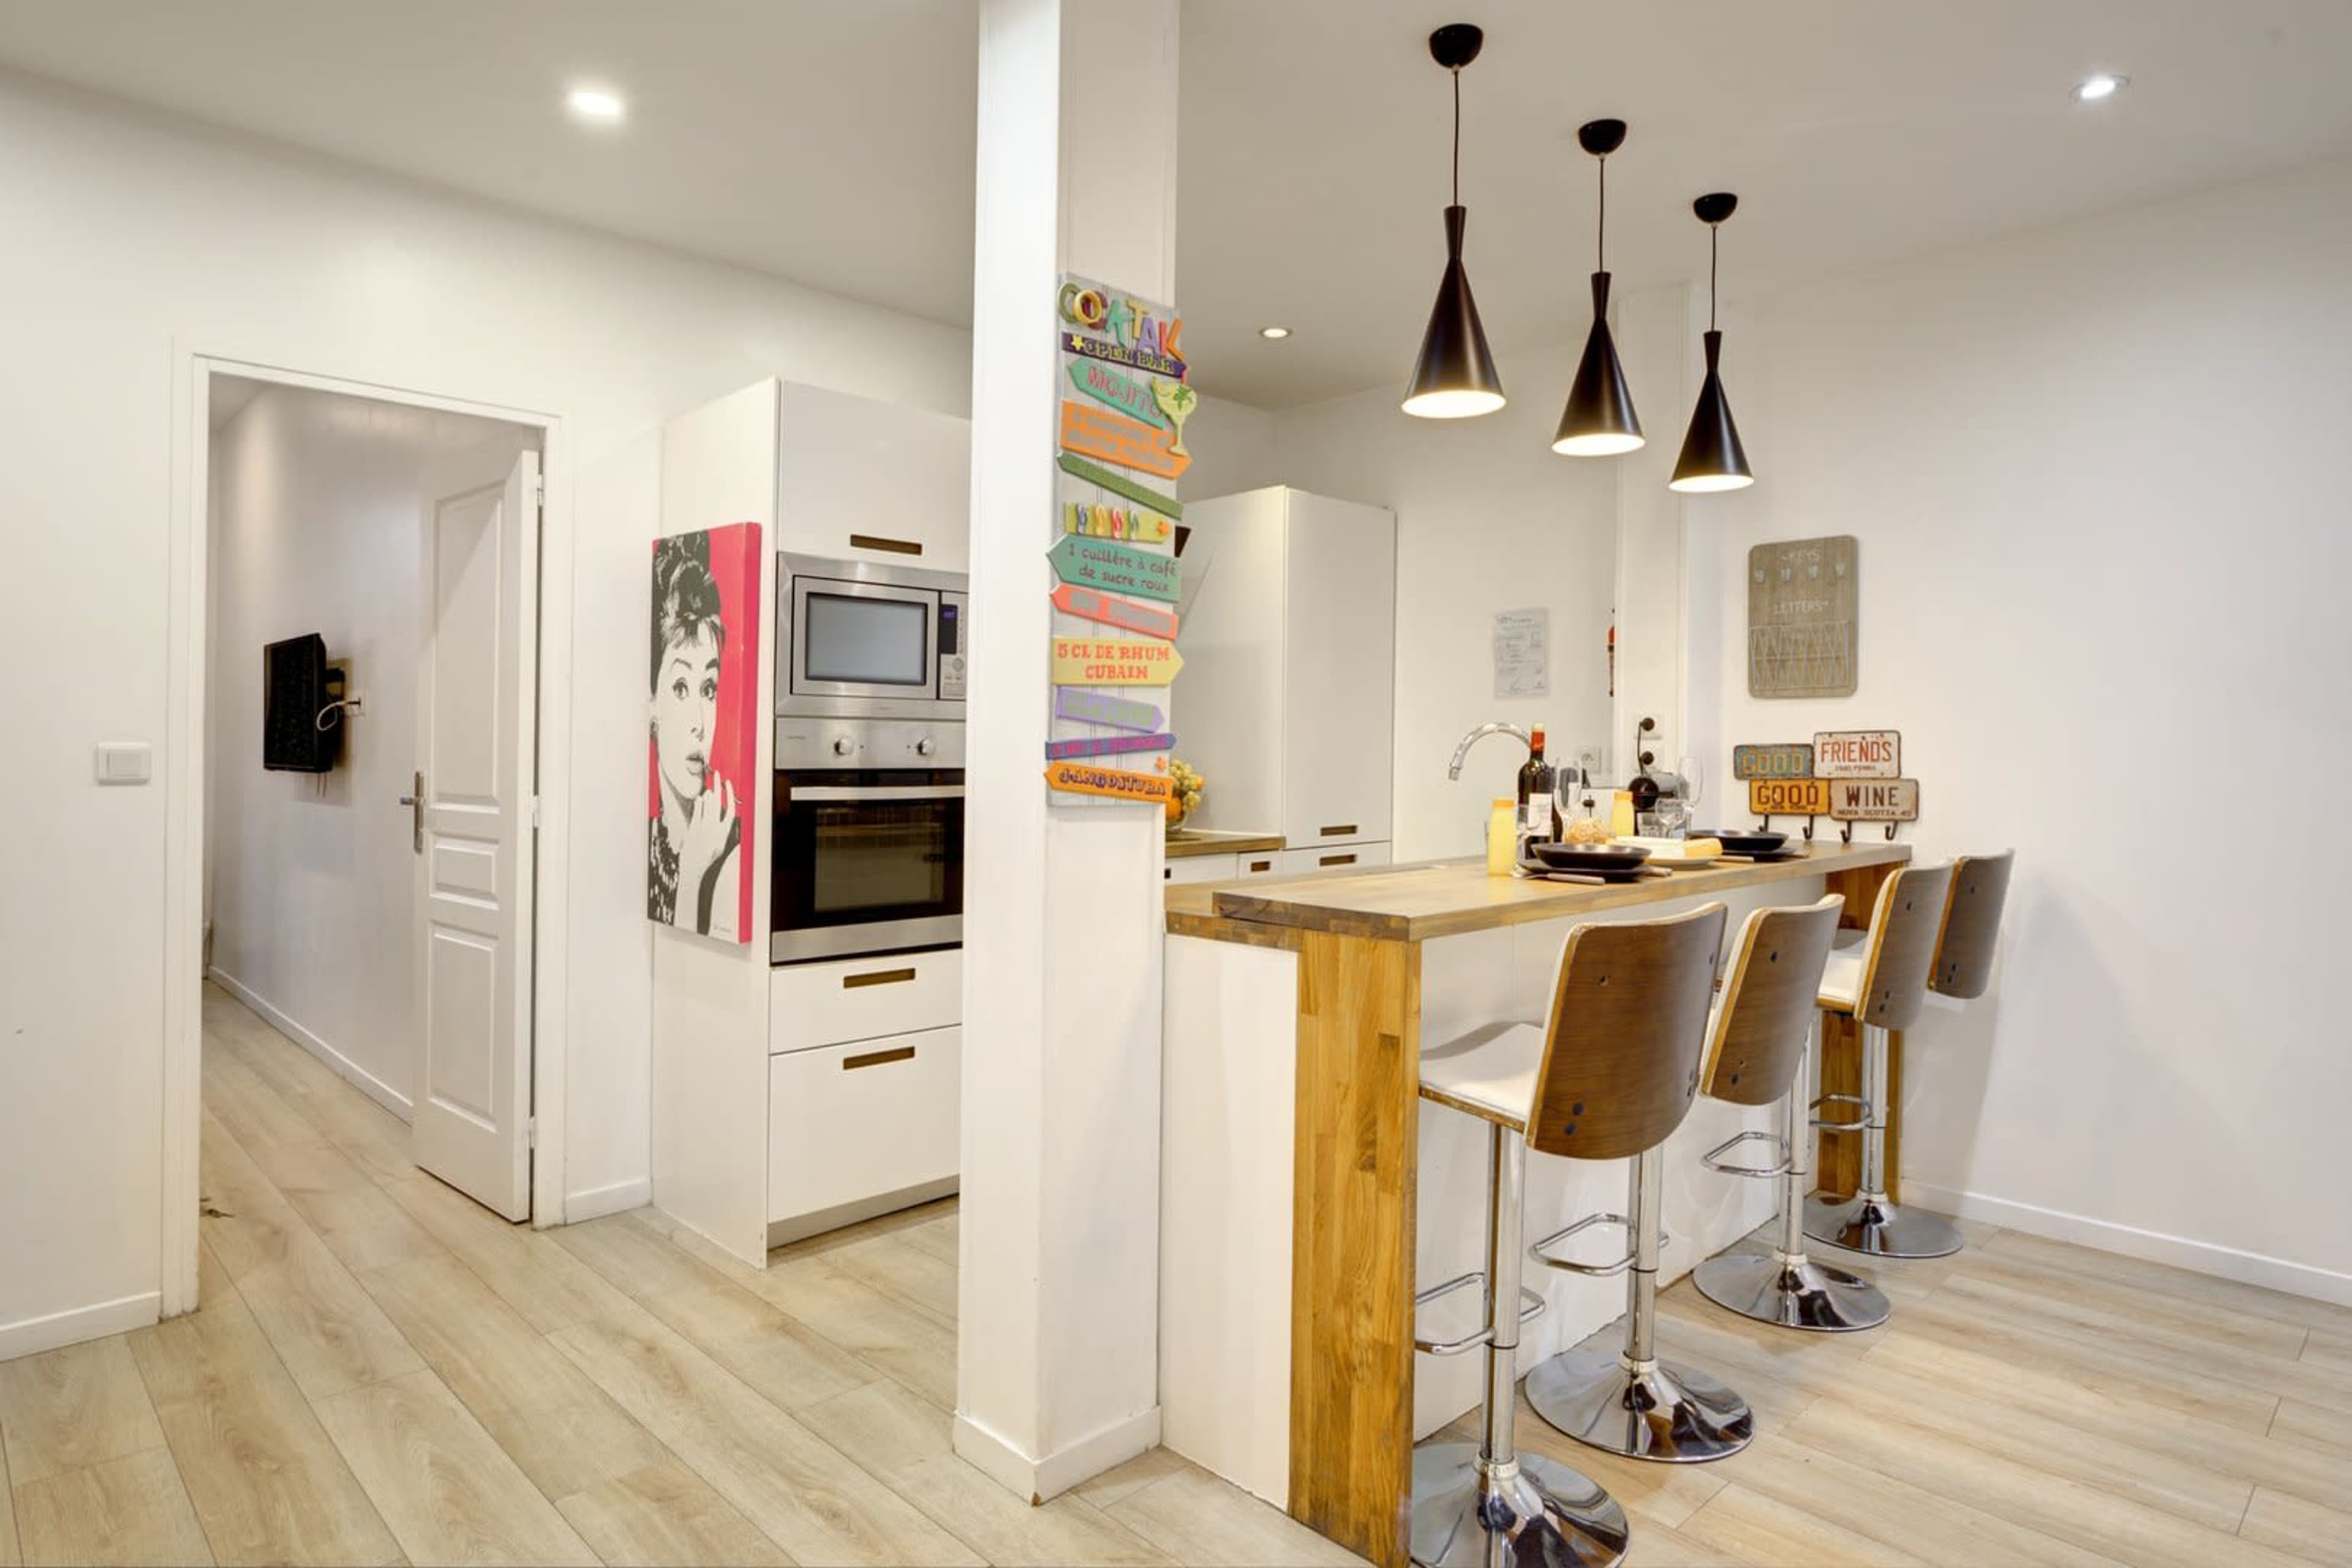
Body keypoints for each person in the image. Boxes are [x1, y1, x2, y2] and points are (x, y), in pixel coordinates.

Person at [647, 533, 740, 939]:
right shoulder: (651, 840)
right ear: (652, 702)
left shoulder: (731, 856)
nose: (701, 723)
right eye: (681, 688)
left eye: (709, 689)